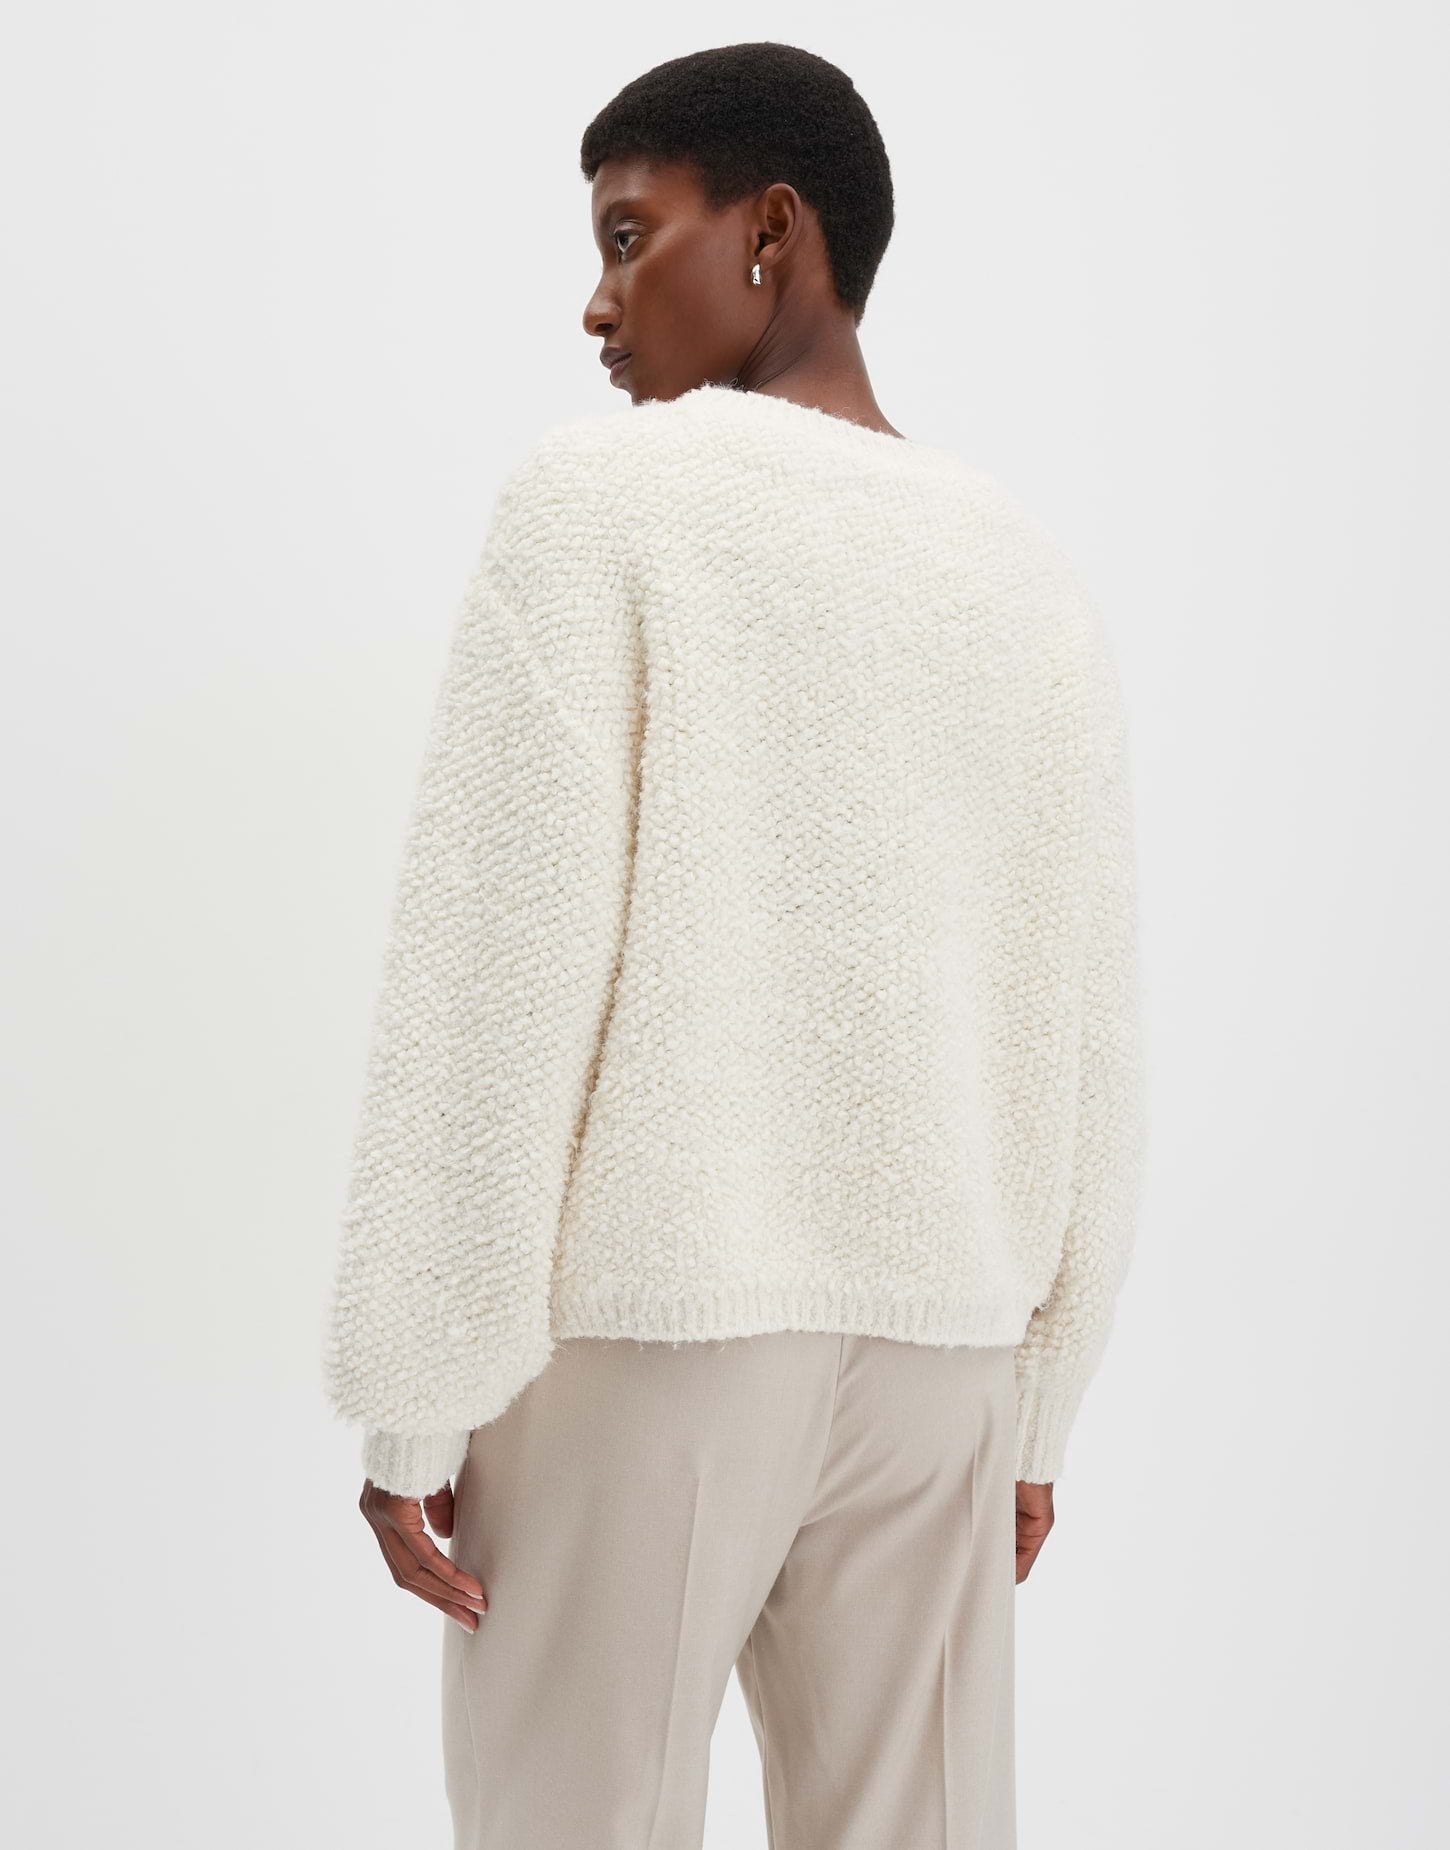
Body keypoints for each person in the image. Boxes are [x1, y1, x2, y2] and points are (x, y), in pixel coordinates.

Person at [321, 39, 1146, 1850]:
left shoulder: (603, 504)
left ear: (773, 231)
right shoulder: (1023, 572)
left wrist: (414, 1397)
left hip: (657, 1324)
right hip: (938, 1355)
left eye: (631, 239)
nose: (596, 304)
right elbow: (1087, 1026)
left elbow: (494, 970)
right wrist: (1035, 1405)